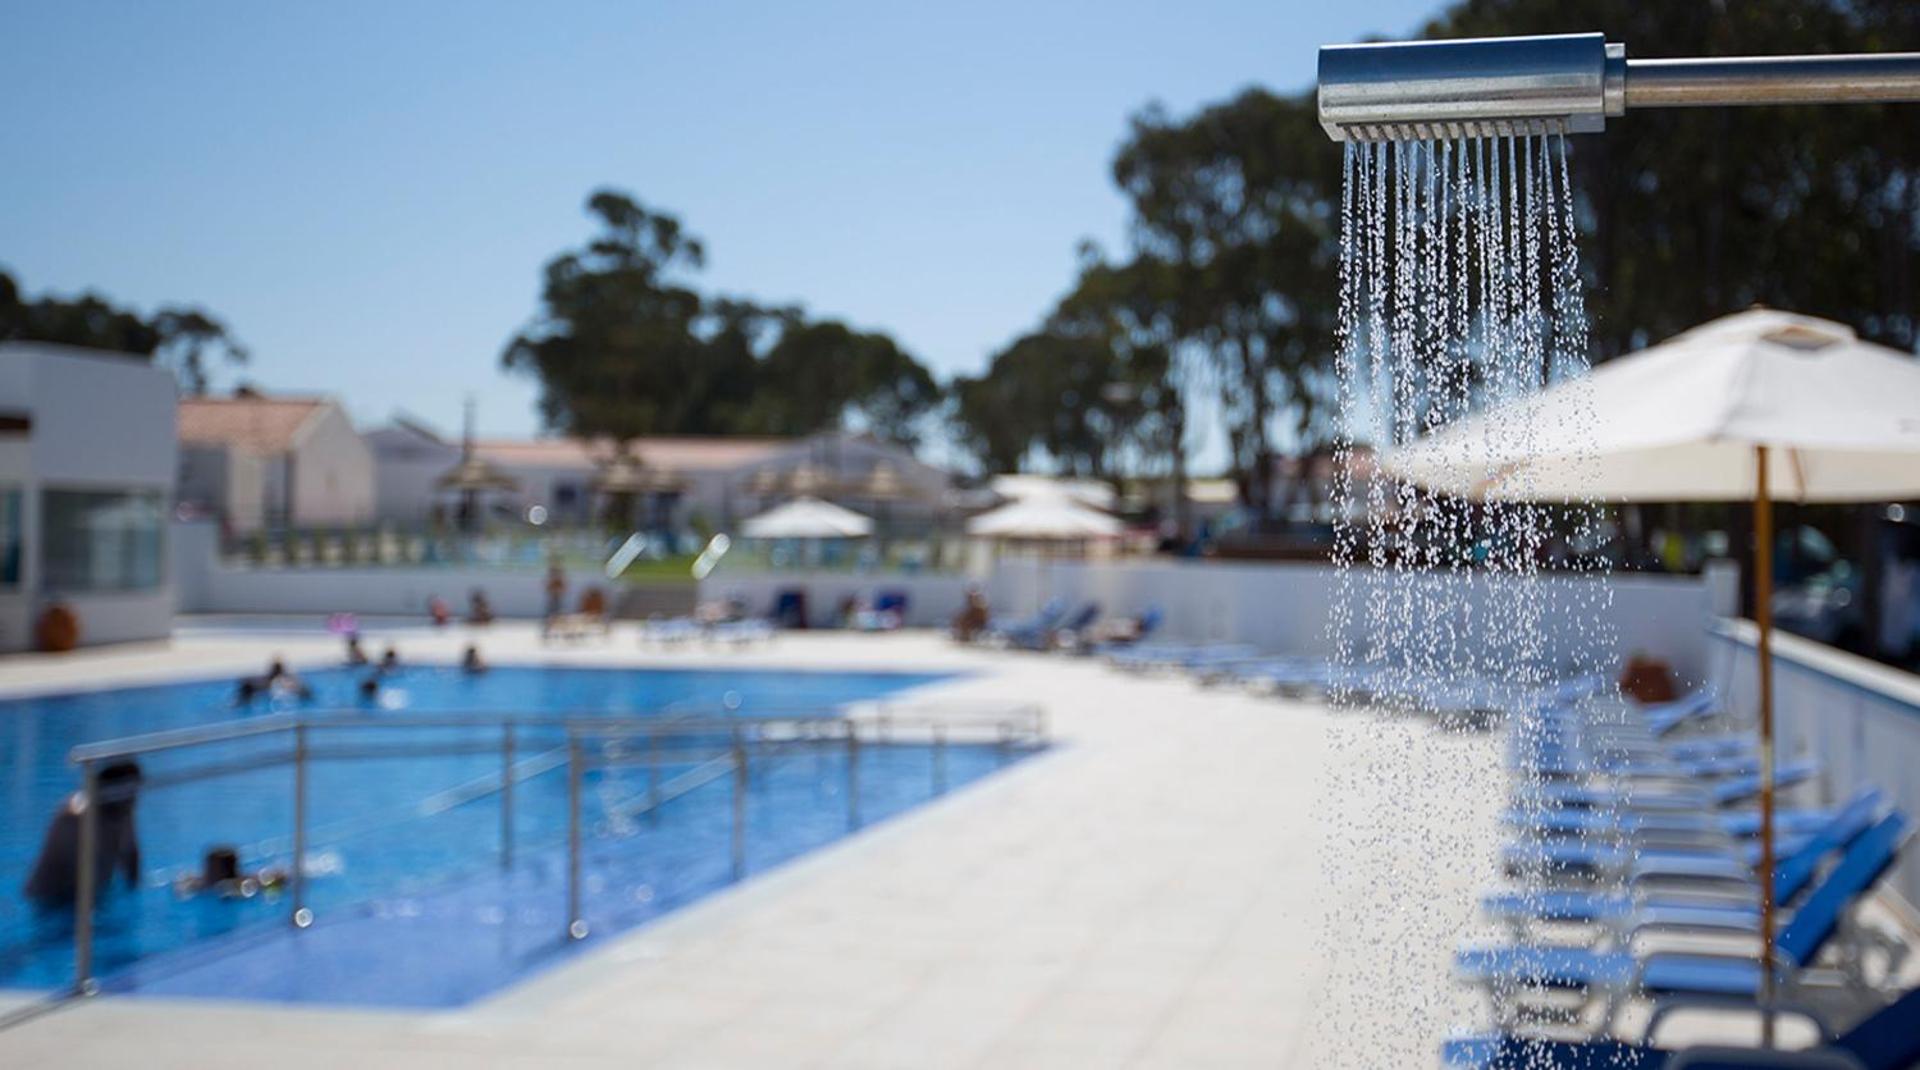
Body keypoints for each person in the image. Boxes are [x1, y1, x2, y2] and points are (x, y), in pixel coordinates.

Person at [24, 760, 143, 906]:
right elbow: (72, 874)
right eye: (129, 793)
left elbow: (132, 856)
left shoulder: (123, 812)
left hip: (93, 897)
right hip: (52, 901)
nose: (134, 799)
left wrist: (134, 892)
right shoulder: (74, 817)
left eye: (134, 792)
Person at [543, 564, 567, 635]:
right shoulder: (551, 580)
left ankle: (560, 630)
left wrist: (558, 591)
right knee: (550, 615)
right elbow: (547, 588)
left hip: (558, 599)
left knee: (559, 615)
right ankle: (548, 630)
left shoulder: (560, 580)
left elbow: (563, 589)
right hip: (552, 599)